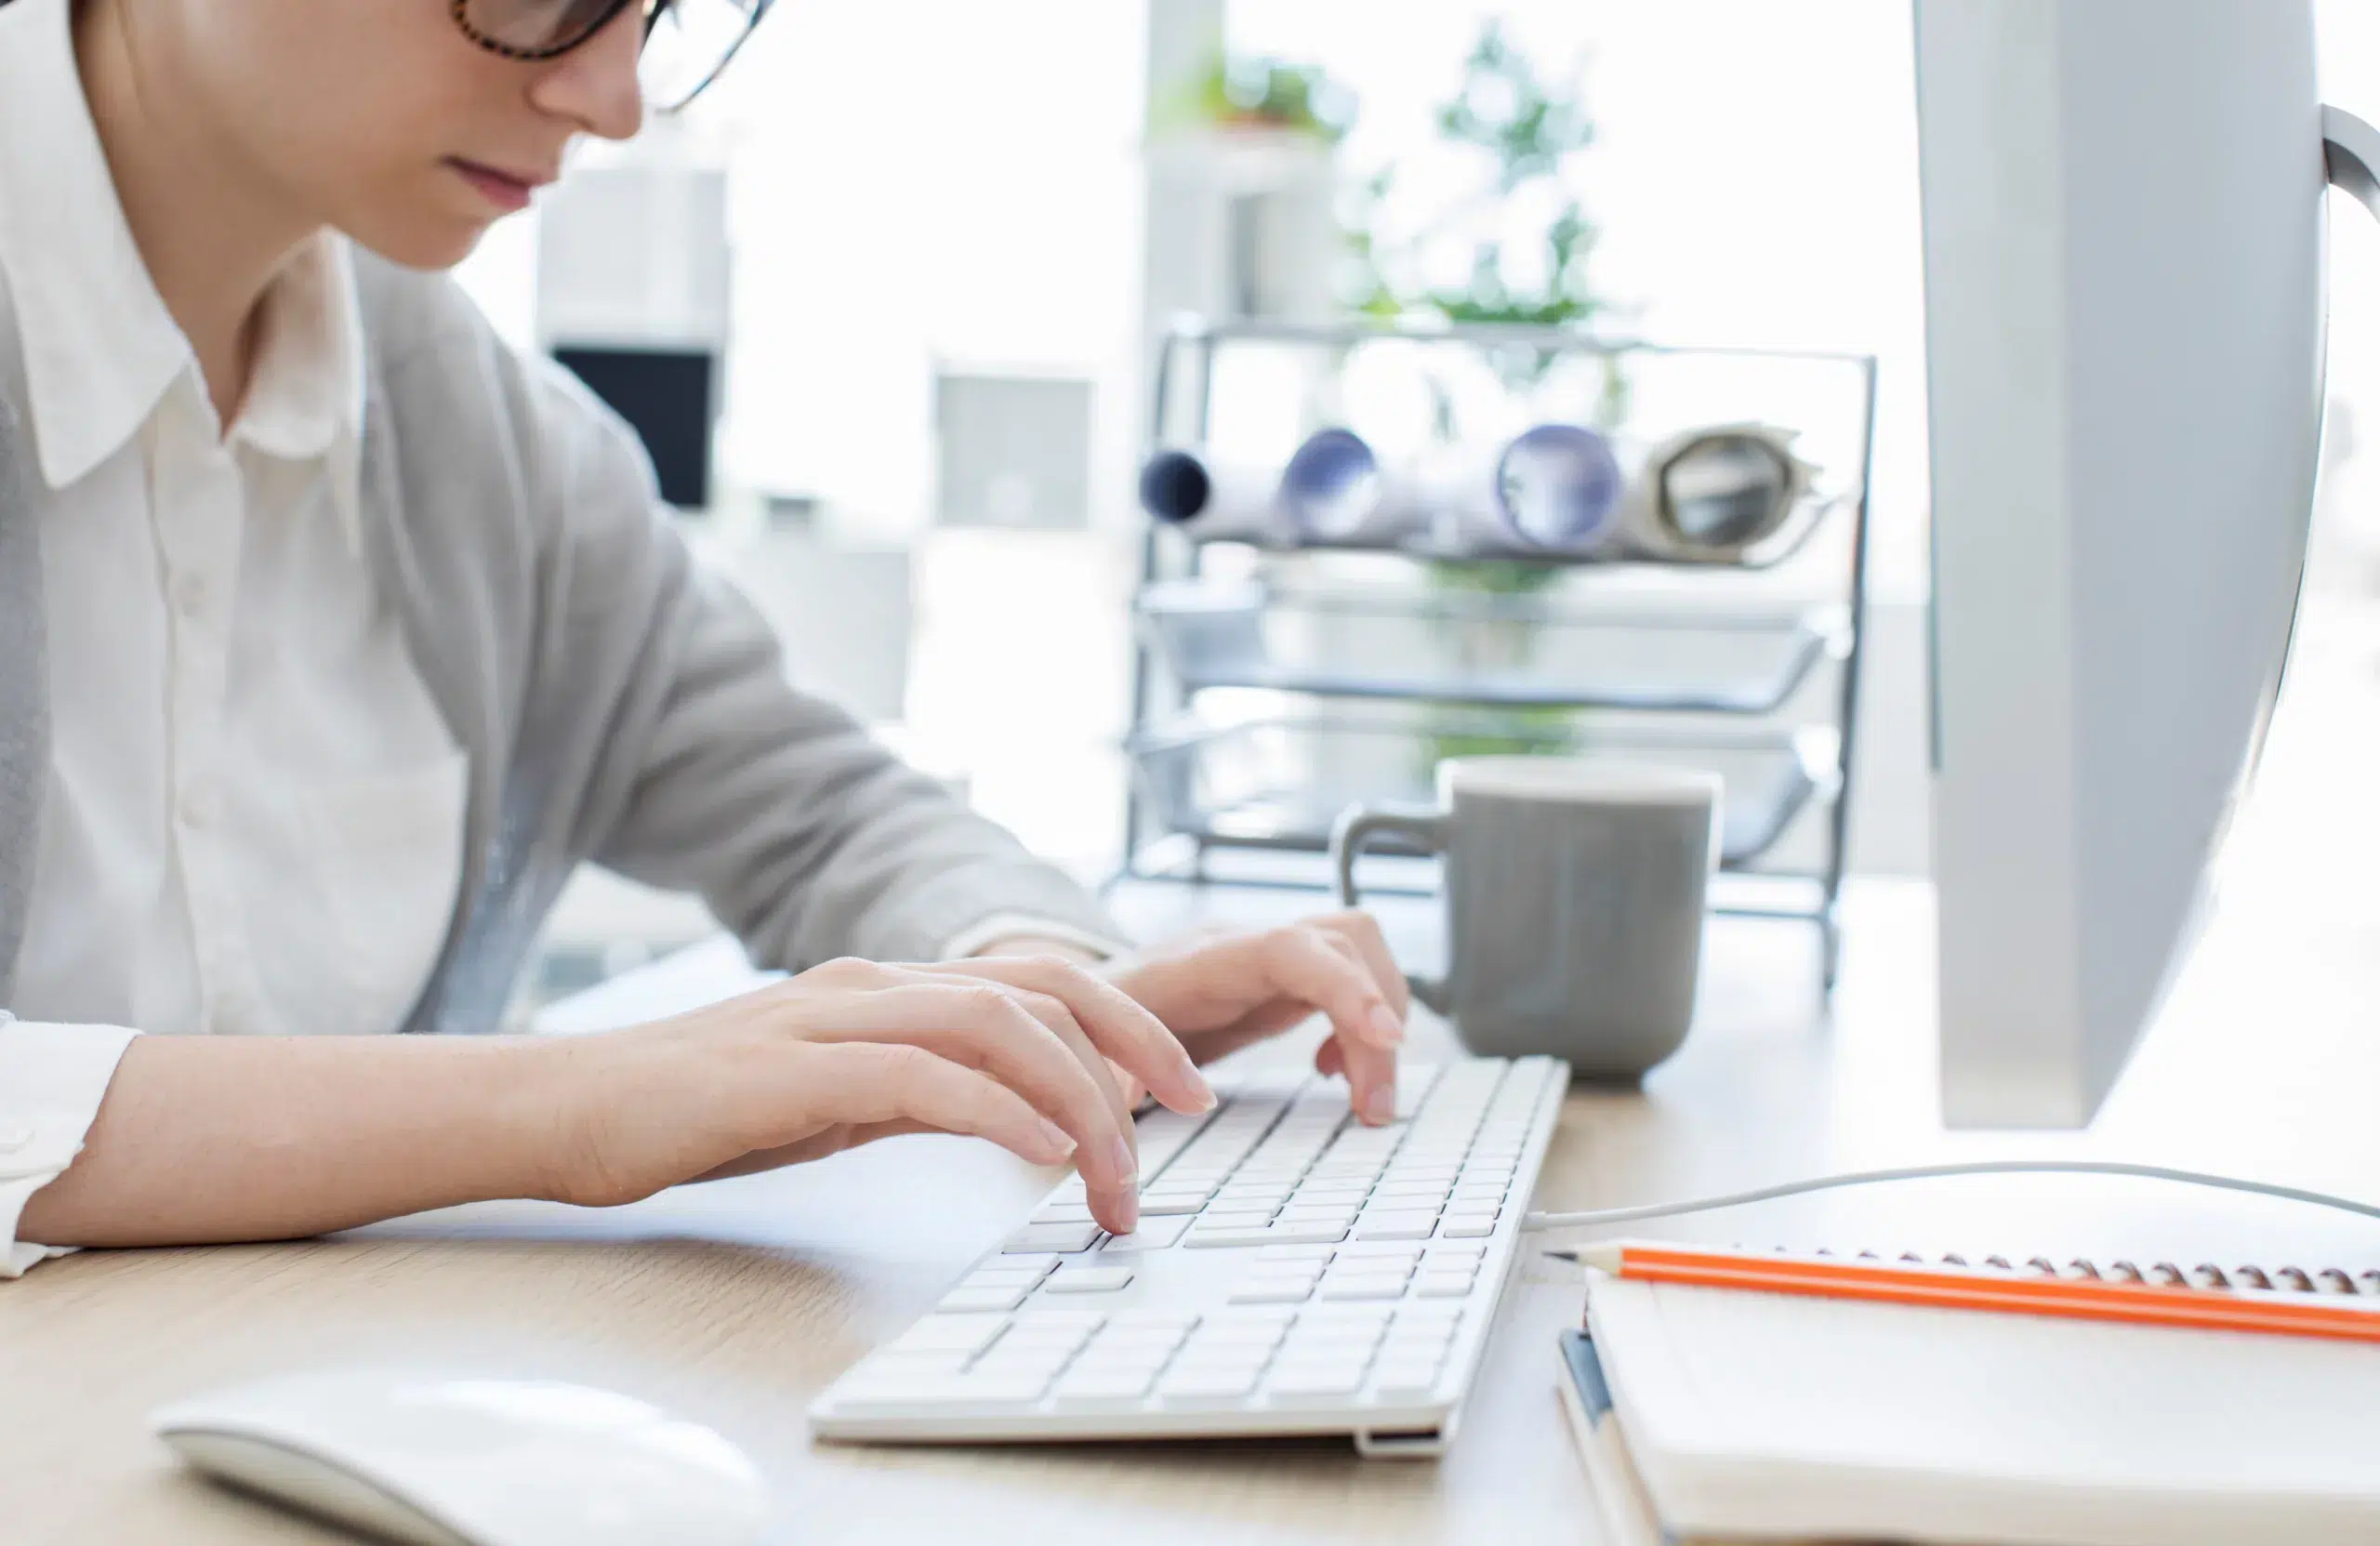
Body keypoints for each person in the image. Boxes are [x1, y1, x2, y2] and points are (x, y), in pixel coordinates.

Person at [0, 0, 1410, 1277]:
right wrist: (573, 1102)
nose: (615, 99)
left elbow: (821, 808)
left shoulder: (480, 437)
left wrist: (1058, 992)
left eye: (658, 10)